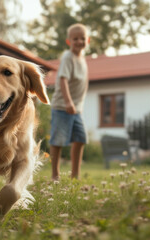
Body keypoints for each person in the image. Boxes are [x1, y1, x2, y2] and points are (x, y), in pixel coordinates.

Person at [49, 23, 89, 180]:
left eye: (82, 38)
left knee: (81, 139)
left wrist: (77, 105)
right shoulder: (68, 58)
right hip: (62, 106)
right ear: (69, 41)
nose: (79, 41)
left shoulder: (82, 59)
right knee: (58, 140)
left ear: (88, 40)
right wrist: (68, 102)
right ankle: (55, 175)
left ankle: (75, 175)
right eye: (75, 39)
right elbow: (63, 80)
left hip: (76, 109)